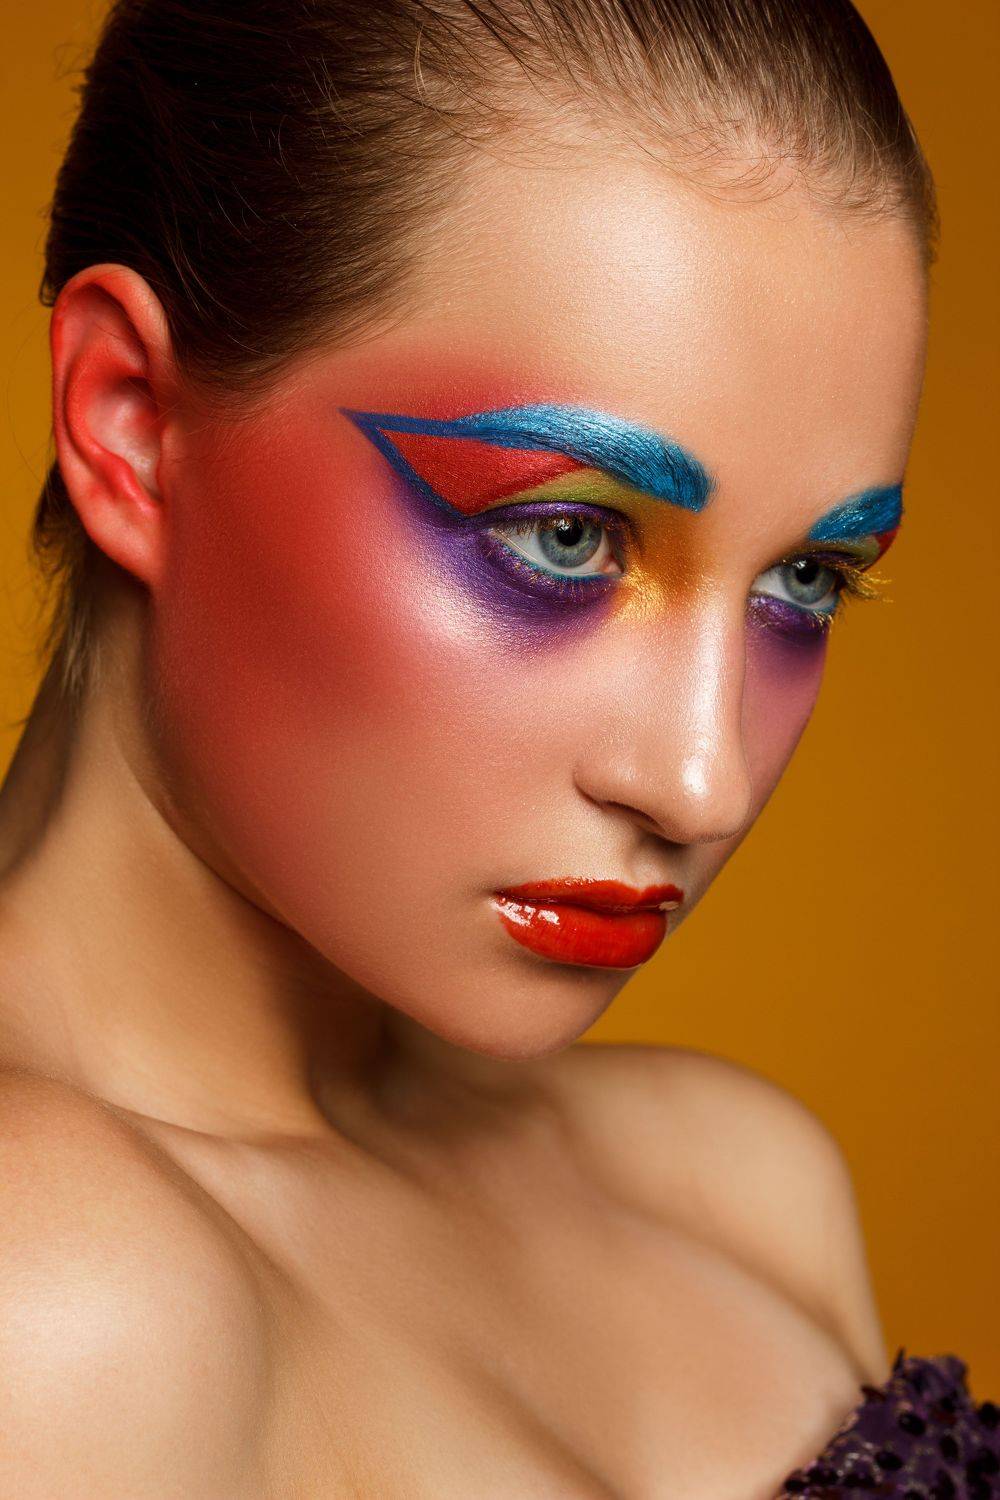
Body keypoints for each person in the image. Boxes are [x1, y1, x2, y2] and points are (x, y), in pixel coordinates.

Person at [0, 0, 994, 1495]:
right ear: (130, 424)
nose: (702, 782)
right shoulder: (49, 1296)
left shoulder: (745, 1191)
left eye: (805, 579)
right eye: (567, 536)